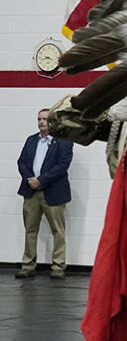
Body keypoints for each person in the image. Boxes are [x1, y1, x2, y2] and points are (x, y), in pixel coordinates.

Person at [16, 108, 74, 280]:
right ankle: (28, 265)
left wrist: (41, 180)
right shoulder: (31, 140)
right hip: (30, 191)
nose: (42, 122)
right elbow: (21, 162)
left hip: (53, 192)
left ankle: (58, 266)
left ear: (53, 121)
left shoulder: (64, 141)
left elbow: (62, 166)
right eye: (39, 119)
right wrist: (30, 179)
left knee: (58, 230)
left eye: (45, 119)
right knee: (30, 230)